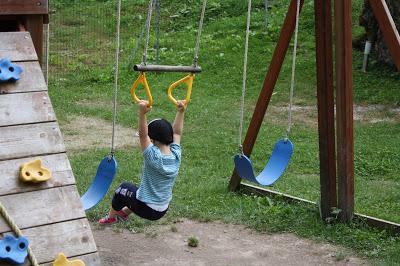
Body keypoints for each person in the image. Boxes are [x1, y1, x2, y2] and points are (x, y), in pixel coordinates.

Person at [98, 99, 186, 225]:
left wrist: (142, 113)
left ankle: (111, 217)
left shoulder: (153, 156)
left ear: (153, 139)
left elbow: (143, 135)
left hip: (147, 209)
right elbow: (177, 132)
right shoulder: (176, 154)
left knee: (122, 189)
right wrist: (181, 112)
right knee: (139, 190)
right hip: (162, 209)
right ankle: (124, 213)